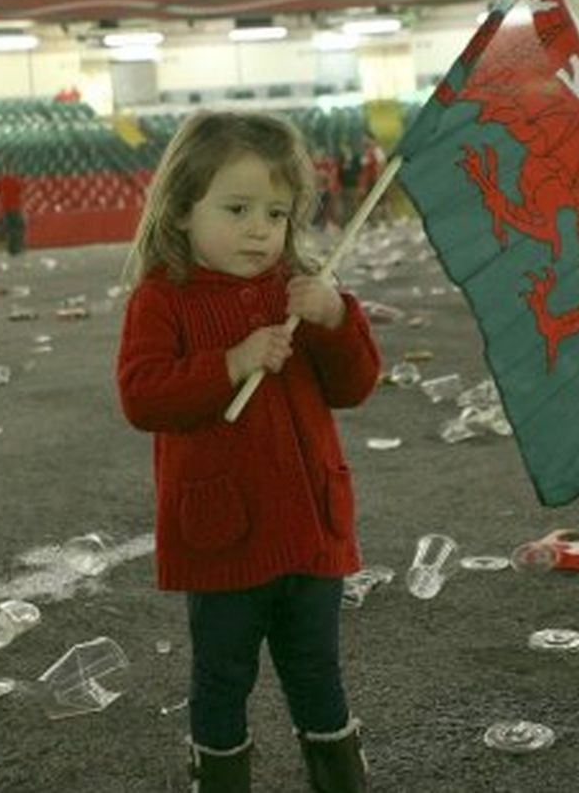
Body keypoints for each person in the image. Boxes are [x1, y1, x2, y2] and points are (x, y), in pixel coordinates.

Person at [115, 111, 382, 793]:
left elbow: (355, 386)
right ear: (181, 210)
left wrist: (334, 318)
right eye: (237, 209)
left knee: (318, 669)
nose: (260, 229)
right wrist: (229, 362)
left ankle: (340, 777)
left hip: (312, 530)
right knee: (223, 676)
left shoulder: (300, 292)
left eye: (276, 212)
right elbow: (142, 396)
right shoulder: (161, 299)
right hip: (223, 540)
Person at [0, 162, 26, 256]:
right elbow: (20, 190)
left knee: (10, 228)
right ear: (11, 170)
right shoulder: (16, 180)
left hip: (6, 207)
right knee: (18, 227)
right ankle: (17, 247)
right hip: (15, 207)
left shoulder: (1, 180)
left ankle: (11, 248)